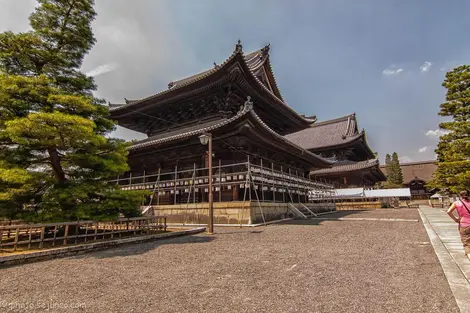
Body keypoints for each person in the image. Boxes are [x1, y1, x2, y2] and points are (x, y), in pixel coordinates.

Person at [447, 190, 470, 261]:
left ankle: (468, 253)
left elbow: (448, 211)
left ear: (460, 195)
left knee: (467, 243)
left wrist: (455, 219)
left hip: (464, 224)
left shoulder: (457, 203)